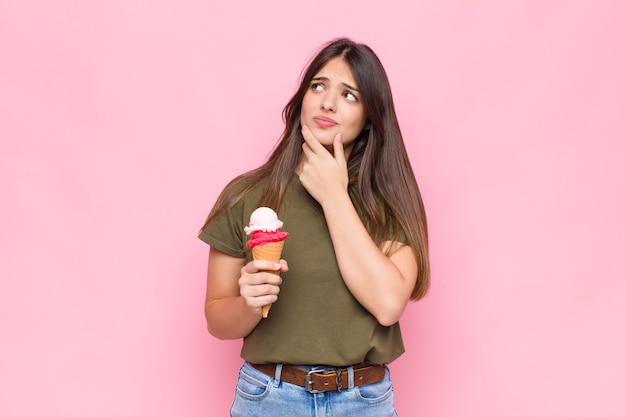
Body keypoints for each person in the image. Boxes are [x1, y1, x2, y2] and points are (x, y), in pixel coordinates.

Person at [198, 37, 430, 417]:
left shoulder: (390, 202)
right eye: (317, 86)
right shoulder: (244, 195)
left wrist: (333, 195)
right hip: (268, 398)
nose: (327, 103)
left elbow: (388, 305)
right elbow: (218, 321)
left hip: (363, 402)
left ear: (370, 116)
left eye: (349, 95)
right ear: (301, 100)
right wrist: (249, 305)